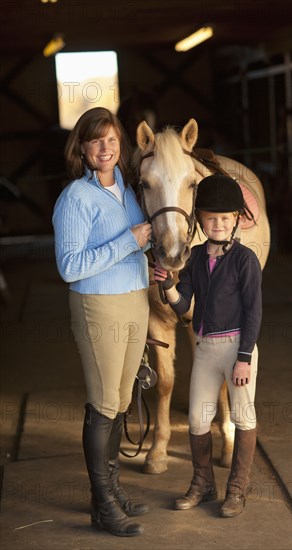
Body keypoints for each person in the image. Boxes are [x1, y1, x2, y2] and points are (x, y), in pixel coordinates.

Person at [52, 107, 152, 537]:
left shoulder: (129, 191)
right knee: (104, 403)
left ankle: (111, 490)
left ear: (120, 146)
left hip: (135, 300)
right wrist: (129, 241)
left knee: (124, 402)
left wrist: (151, 261)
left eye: (111, 140)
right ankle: (104, 504)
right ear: (83, 149)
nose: (105, 148)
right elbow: (70, 266)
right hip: (98, 305)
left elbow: (141, 246)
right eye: (96, 141)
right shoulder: (76, 197)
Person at [154, 174, 262, 518]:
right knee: (199, 421)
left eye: (225, 218)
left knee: (243, 416)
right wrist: (169, 286)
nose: (217, 224)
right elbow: (185, 305)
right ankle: (203, 482)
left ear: (235, 221)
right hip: (204, 348)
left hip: (236, 348)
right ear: (199, 220)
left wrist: (244, 358)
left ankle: (237, 488)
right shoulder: (196, 257)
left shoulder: (245, 260)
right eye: (211, 218)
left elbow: (253, 311)